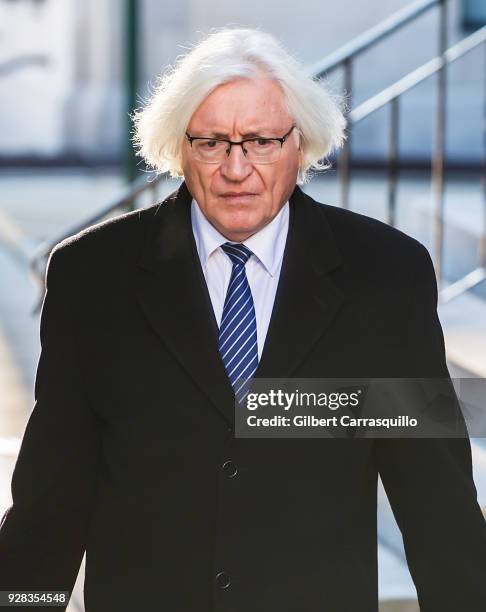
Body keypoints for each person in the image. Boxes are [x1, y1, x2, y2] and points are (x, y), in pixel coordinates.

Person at [1, 26, 485, 612]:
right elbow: (50, 503)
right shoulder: (92, 276)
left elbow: (437, 502)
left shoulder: (385, 275)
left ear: (300, 145)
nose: (236, 168)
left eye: (260, 141)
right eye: (212, 142)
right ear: (178, 148)